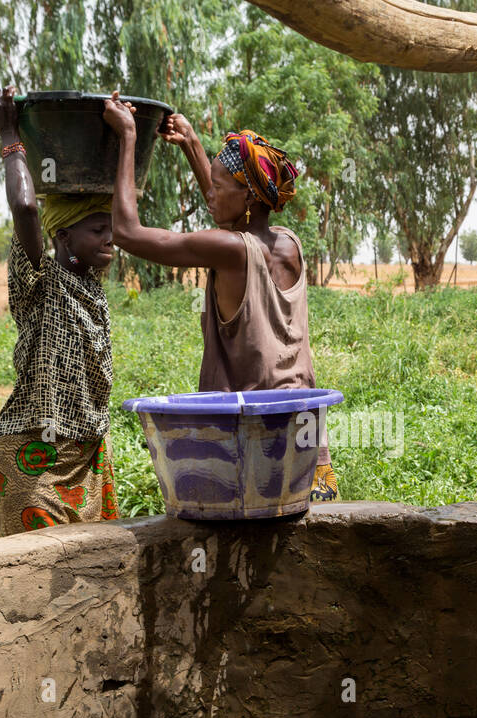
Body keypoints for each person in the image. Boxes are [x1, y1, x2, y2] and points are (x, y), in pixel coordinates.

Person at [101, 92, 339, 501]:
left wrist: (127, 137)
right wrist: (193, 144)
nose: (210, 194)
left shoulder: (231, 251)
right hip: (306, 441)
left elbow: (126, 233)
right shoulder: (289, 245)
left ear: (248, 197)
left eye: (220, 186)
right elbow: (227, 209)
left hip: (255, 443)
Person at [0, 86, 121, 536]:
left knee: (96, 582)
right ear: (61, 237)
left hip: (89, 461)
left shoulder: (91, 291)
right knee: (38, 584)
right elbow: (24, 205)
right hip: (31, 460)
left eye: (110, 230)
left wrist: (124, 133)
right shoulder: (40, 283)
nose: (110, 240)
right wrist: (8, 133)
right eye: (98, 229)